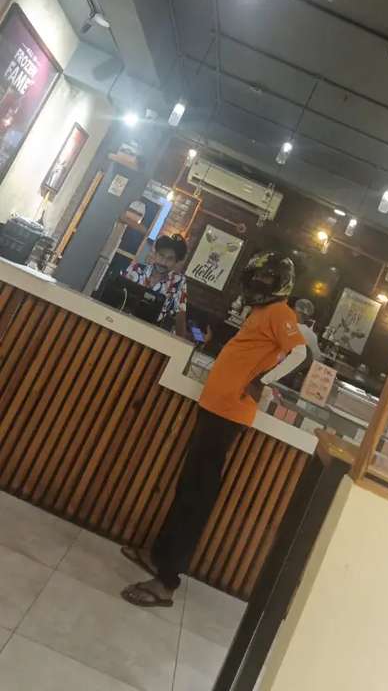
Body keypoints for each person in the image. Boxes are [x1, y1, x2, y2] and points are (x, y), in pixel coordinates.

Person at [120, 250, 306, 608]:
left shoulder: (281, 312)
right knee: (187, 488)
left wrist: (263, 381)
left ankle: (166, 581)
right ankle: (159, 556)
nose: (258, 283)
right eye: (257, 277)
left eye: (266, 279)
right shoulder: (260, 311)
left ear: (280, 284)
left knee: (196, 497)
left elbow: (299, 353)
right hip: (215, 408)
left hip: (229, 414)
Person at [125, 234, 189, 338]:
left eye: (170, 259)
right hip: (123, 323)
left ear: (176, 262)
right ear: (155, 254)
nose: (163, 262)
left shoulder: (178, 282)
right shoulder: (136, 269)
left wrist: (181, 344)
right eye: (161, 255)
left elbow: (180, 319)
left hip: (150, 335)